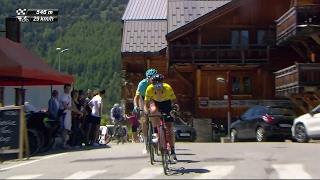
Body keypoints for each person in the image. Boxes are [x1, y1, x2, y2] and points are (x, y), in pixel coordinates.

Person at [143, 74, 180, 163]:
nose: (158, 86)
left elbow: (174, 102)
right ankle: (156, 132)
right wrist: (146, 112)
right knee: (153, 111)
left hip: (166, 104)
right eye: (155, 84)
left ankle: (172, 151)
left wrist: (174, 110)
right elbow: (146, 104)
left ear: (162, 83)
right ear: (152, 84)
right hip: (155, 103)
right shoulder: (150, 89)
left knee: (169, 127)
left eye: (160, 83)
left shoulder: (168, 88)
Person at [133, 68, 158, 153]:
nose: (151, 80)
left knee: (155, 114)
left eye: (153, 78)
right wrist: (136, 106)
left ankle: (156, 135)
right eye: (149, 78)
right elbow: (136, 97)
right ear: (147, 78)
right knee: (143, 121)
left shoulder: (157, 83)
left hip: (152, 99)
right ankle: (146, 144)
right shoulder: (142, 84)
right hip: (143, 99)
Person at [59, 84, 72, 149]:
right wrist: (71, 109)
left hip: (68, 114)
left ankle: (65, 143)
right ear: (64, 89)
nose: (68, 90)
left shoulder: (68, 95)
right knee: (65, 129)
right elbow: (65, 106)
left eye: (69, 89)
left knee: (67, 129)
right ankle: (63, 144)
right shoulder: (63, 96)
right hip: (64, 114)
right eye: (67, 89)